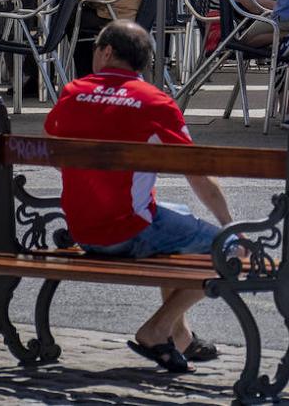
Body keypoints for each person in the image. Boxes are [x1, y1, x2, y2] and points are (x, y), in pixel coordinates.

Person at [44, 20, 231, 371]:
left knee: (174, 214)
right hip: (126, 230)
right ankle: (157, 329)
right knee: (227, 248)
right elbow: (197, 171)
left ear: (107, 52)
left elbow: (56, 155)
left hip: (83, 229)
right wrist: (229, 225)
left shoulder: (71, 92)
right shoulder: (155, 102)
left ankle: (182, 338)